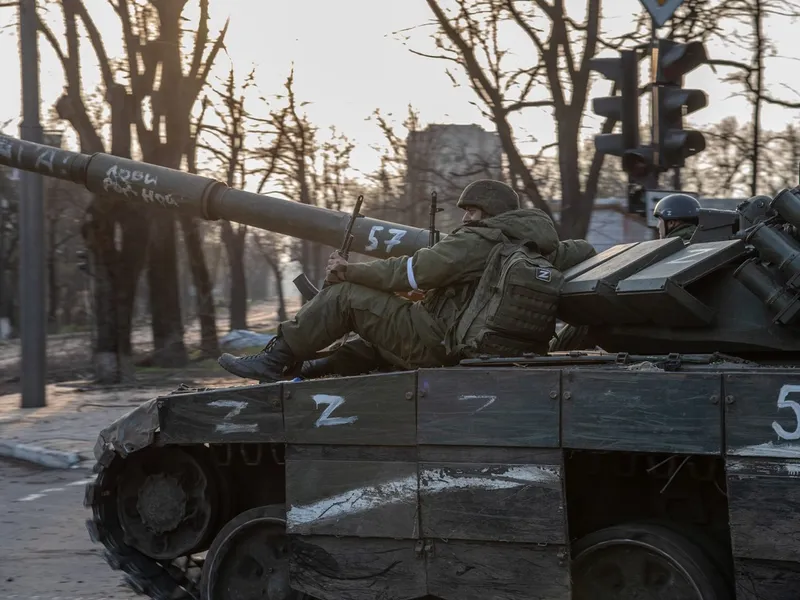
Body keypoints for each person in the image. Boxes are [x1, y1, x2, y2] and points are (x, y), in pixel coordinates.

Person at [218, 179, 596, 382]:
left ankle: (275, 360)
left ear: (491, 213)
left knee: (346, 298)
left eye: (473, 211)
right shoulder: (535, 245)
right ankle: (308, 372)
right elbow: (582, 250)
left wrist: (350, 271)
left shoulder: (479, 239)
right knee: (376, 335)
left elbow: (413, 270)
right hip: (476, 344)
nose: (465, 219)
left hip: (442, 342)